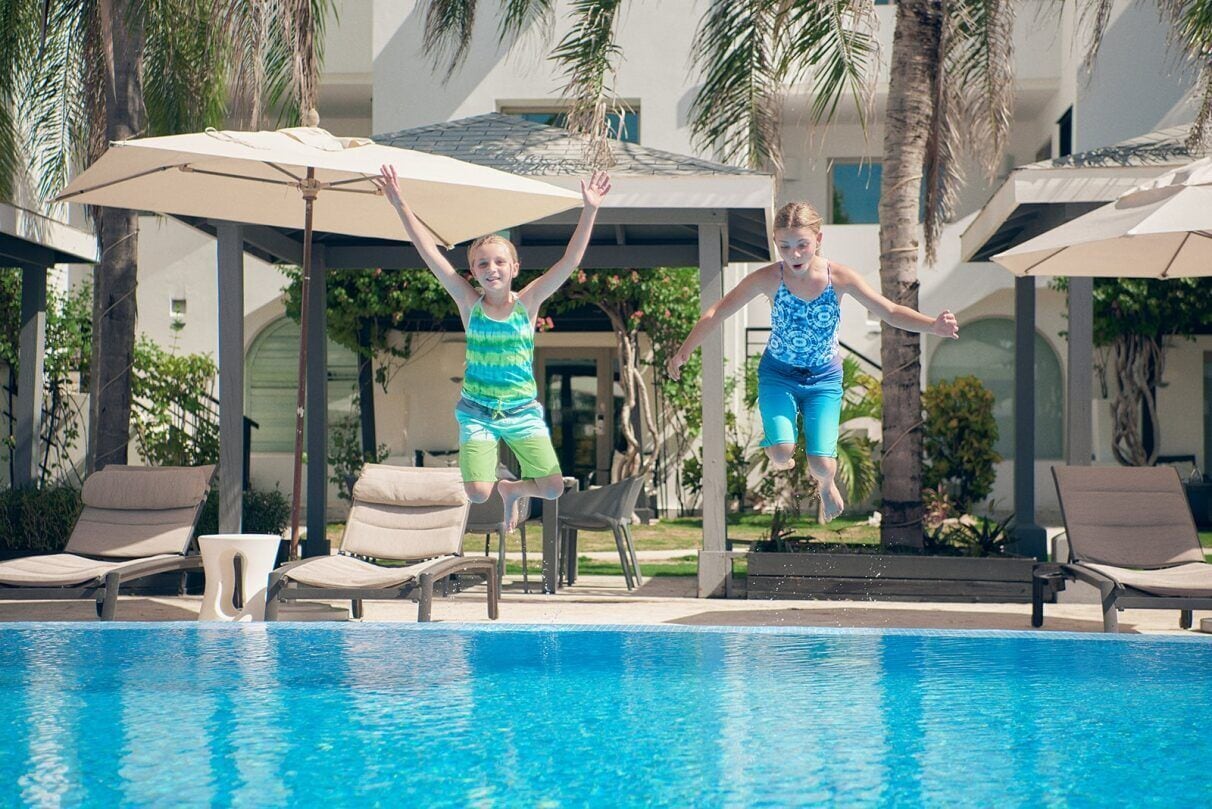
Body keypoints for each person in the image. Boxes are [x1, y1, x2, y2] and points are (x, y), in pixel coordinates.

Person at [667, 201, 959, 523]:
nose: (794, 254)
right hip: (778, 373)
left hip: (824, 379)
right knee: (780, 453)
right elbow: (717, 311)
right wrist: (683, 351)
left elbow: (888, 311)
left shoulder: (841, 278)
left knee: (821, 463)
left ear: (818, 239)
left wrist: (932, 324)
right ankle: (785, 456)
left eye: (802, 245)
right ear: (776, 243)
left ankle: (826, 484)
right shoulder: (768, 278)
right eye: (785, 246)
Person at [375, 164, 611, 526]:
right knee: (477, 492)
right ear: (472, 271)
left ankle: (514, 489)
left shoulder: (528, 303)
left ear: (515, 267)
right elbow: (430, 256)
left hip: (521, 411)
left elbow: (569, 261)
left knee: (551, 488)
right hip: (477, 412)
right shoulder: (469, 304)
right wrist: (399, 204)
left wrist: (590, 209)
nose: (492, 268)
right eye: (482, 263)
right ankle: (497, 487)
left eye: (500, 261)